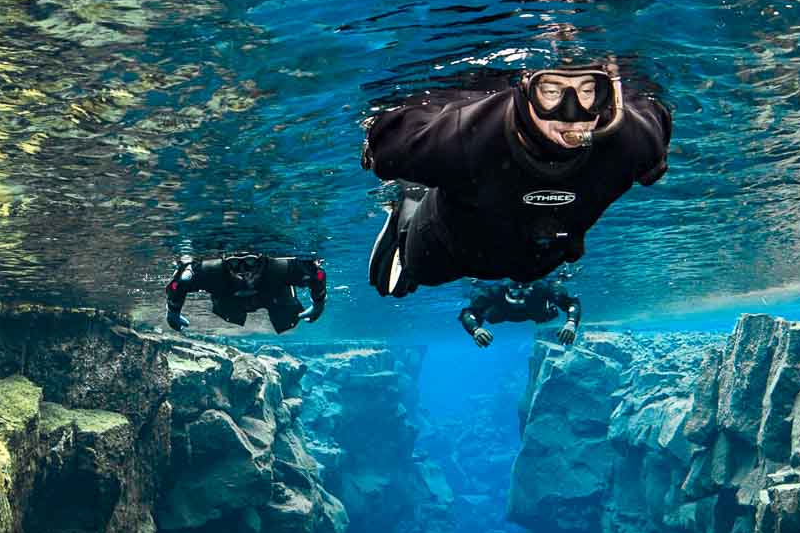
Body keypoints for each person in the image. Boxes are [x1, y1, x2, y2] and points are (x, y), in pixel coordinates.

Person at [363, 61, 671, 299]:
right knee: (421, 272)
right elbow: (389, 148)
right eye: (551, 92)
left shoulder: (634, 141)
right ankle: (408, 208)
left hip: (540, 258)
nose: (572, 114)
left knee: (531, 271)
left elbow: (655, 137)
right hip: (447, 247)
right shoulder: (464, 135)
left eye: (588, 91)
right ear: (524, 90)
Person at [165, 253, 326, 333]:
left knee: (287, 318)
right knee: (227, 309)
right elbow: (180, 282)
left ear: (262, 261)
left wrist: (318, 303)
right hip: (229, 296)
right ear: (225, 263)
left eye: (250, 262)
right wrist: (173, 310)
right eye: (234, 264)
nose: (242, 271)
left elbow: (315, 274)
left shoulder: (280, 268)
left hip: (275, 292)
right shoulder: (212, 271)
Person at [458, 277, 580, 348]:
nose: (521, 294)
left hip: (536, 311)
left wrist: (571, 323)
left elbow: (571, 302)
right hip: (502, 311)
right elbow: (468, 312)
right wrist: (475, 329)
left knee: (546, 314)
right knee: (489, 313)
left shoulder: (543, 288)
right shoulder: (493, 291)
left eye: (525, 289)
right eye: (516, 291)